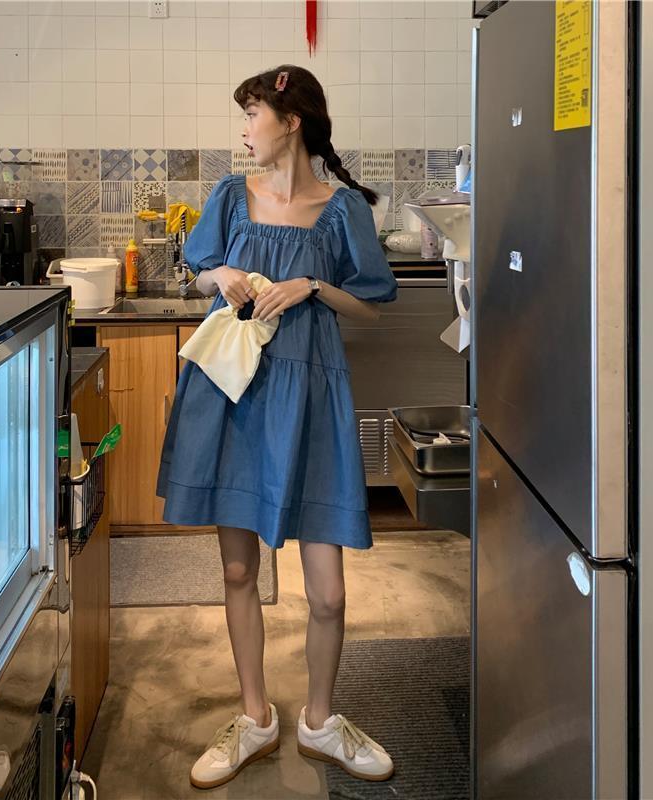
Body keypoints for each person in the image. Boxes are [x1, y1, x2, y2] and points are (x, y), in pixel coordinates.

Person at [156, 65, 398, 790]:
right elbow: (198, 272)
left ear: (289, 122)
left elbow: (372, 304)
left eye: (251, 115)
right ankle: (255, 717)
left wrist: (313, 286)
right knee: (238, 571)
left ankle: (320, 722)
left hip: (312, 399)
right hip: (233, 397)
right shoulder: (231, 196)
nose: (243, 131)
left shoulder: (343, 210)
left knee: (329, 593)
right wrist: (221, 277)